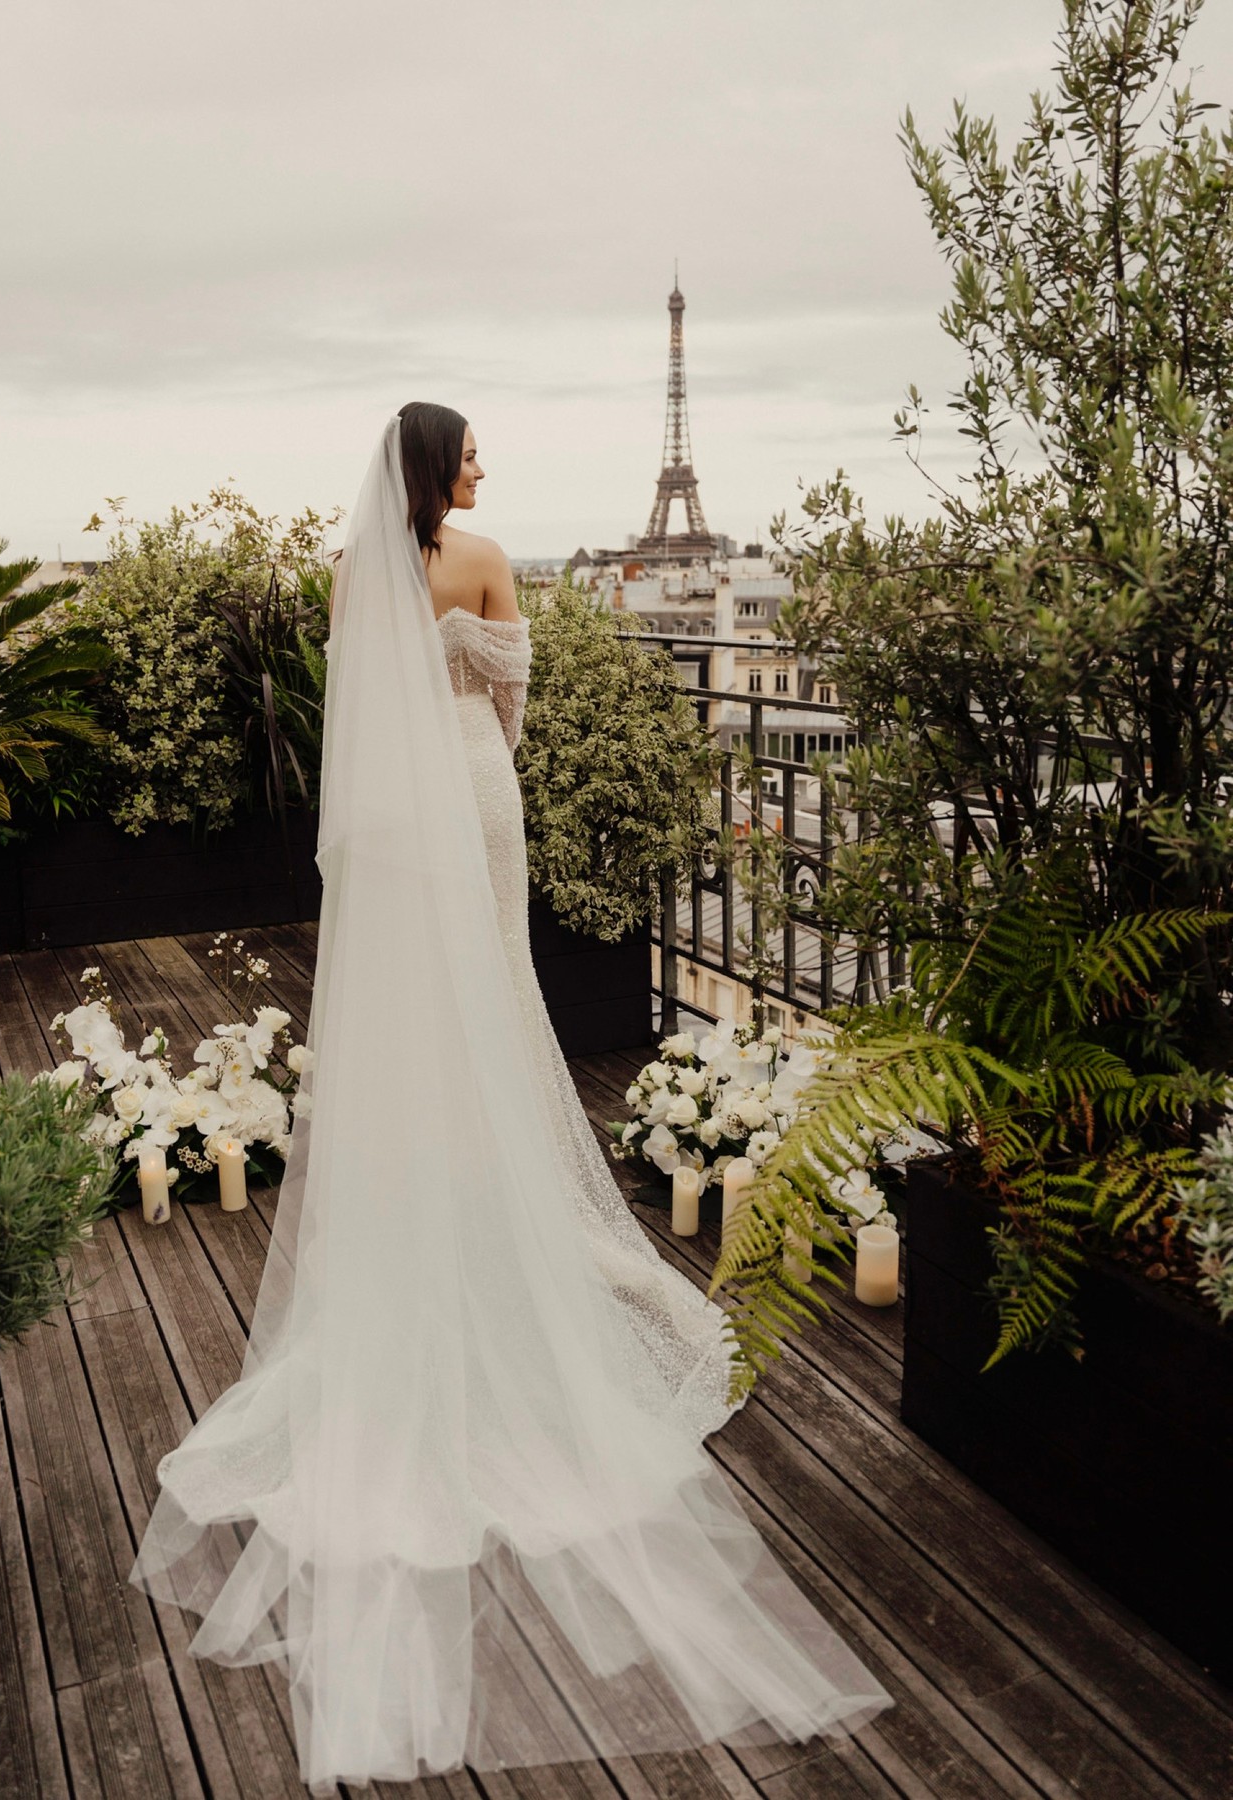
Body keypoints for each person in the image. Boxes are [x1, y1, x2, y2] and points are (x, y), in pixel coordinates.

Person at [128, 406, 891, 1793]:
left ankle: (432, 1178)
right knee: (492, 995)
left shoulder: (362, 571)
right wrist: (485, 749)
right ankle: (499, 1191)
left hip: (398, 828)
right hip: (474, 799)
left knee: (425, 1009)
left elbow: (360, 712)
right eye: (470, 453)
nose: (484, 470)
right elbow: (512, 706)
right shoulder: (481, 559)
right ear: (440, 473)